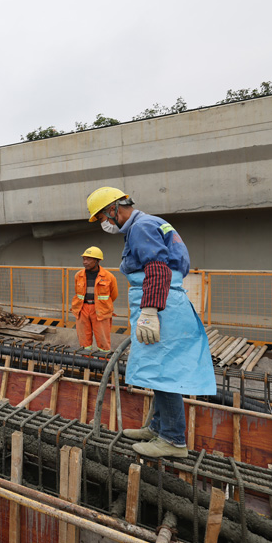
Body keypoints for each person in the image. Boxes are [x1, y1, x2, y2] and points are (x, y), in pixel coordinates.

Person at [86, 187, 216, 459]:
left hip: (160, 303)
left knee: (164, 372)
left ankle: (173, 440)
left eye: (102, 217)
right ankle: (158, 428)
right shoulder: (151, 223)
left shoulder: (140, 227)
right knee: (160, 369)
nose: (104, 223)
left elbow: (157, 268)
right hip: (165, 300)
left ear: (113, 209)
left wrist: (149, 310)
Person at [70, 246, 118, 351]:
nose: (85, 262)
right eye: (84, 259)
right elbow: (78, 293)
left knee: (103, 340)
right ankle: (85, 359)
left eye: (88, 259)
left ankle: (103, 359)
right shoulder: (78, 275)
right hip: (82, 309)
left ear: (97, 261)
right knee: (84, 341)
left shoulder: (109, 277)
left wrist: (102, 304)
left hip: (100, 311)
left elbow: (113, 295)